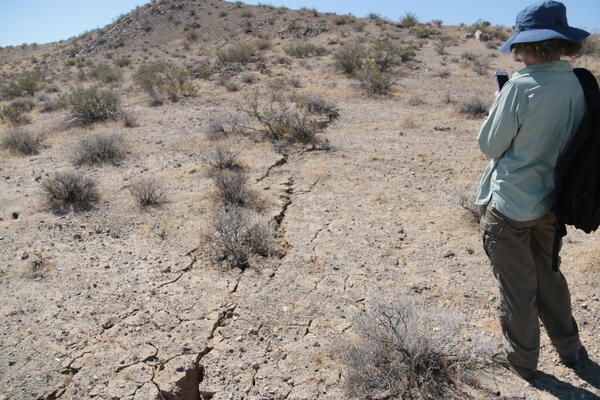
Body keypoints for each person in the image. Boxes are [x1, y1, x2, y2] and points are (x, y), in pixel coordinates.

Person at [475, 0, 590, 381]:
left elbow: (491, 145)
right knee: (550, 277)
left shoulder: (520, 87)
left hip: (510, 204)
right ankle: (571, 350)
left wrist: (498, 104)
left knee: (517, 288)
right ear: (562, 42)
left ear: (524, 45)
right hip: (552, 202)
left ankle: (523, 363)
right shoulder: (580, 83)